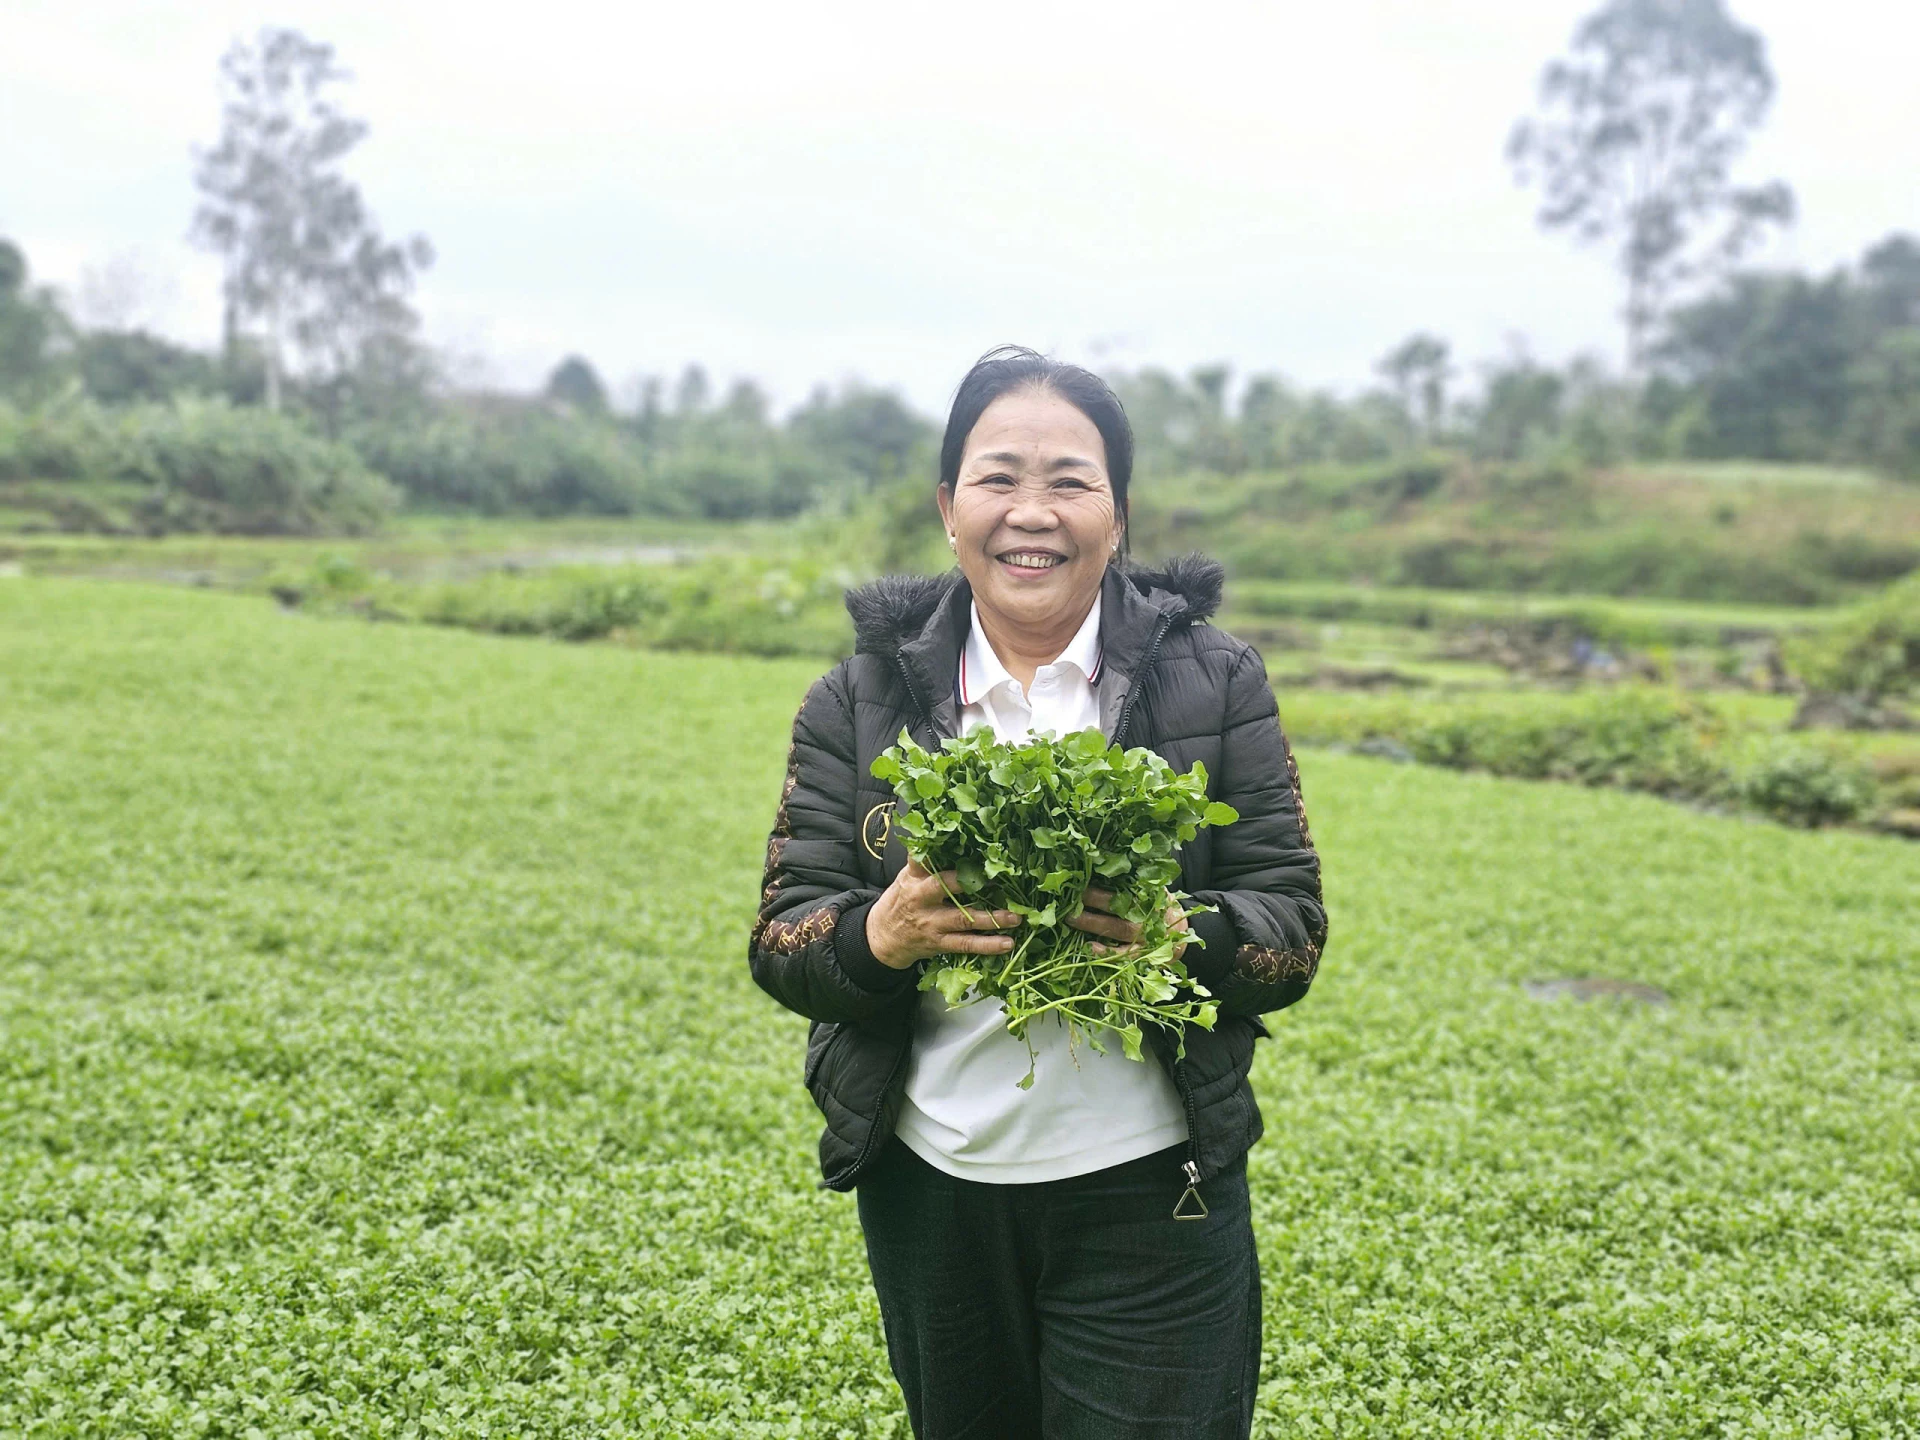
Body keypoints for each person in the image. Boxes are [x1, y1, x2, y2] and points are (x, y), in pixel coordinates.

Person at [749, 346, 1327, 1440]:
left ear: (1118, 516)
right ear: (947, 508)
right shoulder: (859, 697)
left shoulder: (1216, 680)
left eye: (1071, 481)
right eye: (999, 477)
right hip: (933, 1198)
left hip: (1154, 1195)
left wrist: (1177, 936)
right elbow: (783, 940)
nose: (1033, 512)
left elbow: (1292, 932)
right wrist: (882, 933)